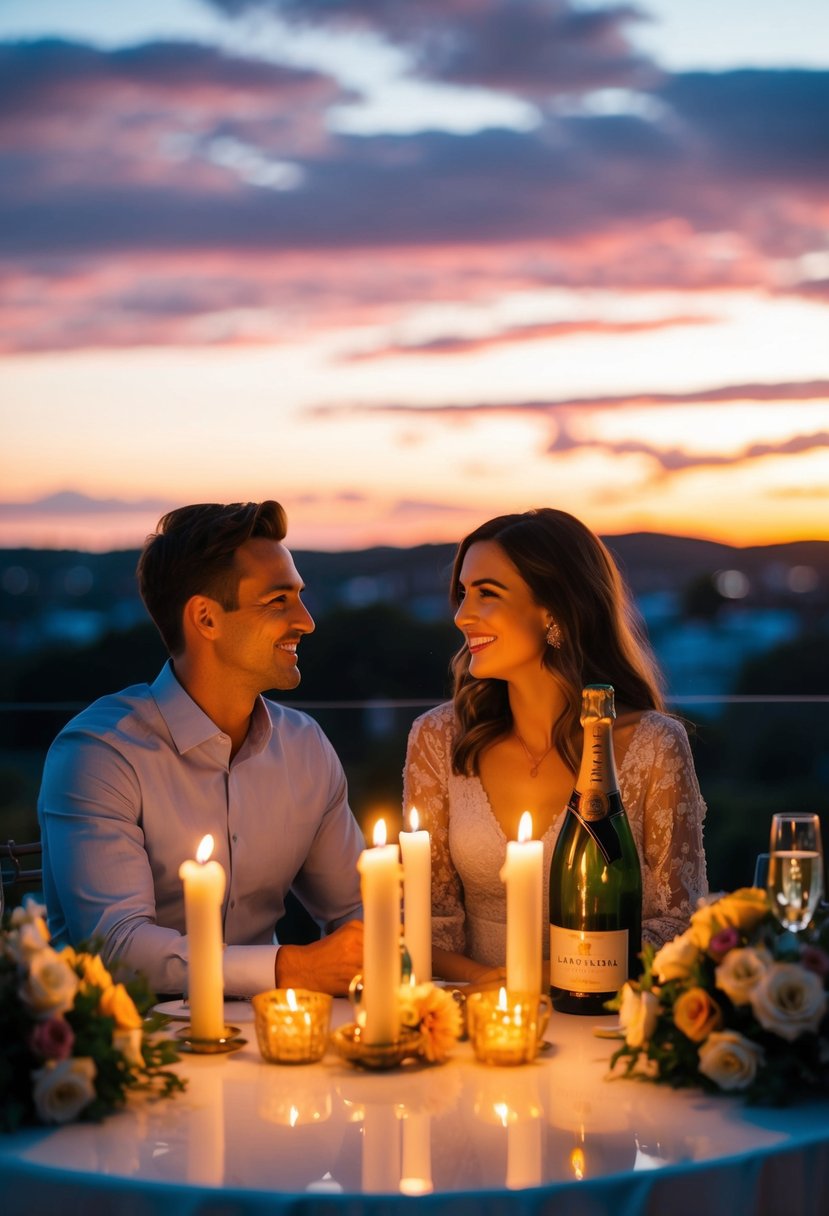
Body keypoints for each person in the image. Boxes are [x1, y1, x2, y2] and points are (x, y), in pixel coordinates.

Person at [39, 500, 364, 999]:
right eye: (279, 600)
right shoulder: (100, 755)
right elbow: (116, 948)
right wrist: (289, 970)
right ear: (206, 618)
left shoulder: (305, 748)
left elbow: (355, 909)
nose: (306, 621)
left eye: (300, 597)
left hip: (271, 1042)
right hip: (135, 1052)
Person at [402, 508, 707, 984]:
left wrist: (543, 977)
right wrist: (493, 990)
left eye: (487, 593)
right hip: (476, 1016)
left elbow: (678, 925)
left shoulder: (653, 746)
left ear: (555, 610)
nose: (462, 616)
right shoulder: (438, 739)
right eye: (462, 594)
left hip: (607, 1019)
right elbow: (428, 924)